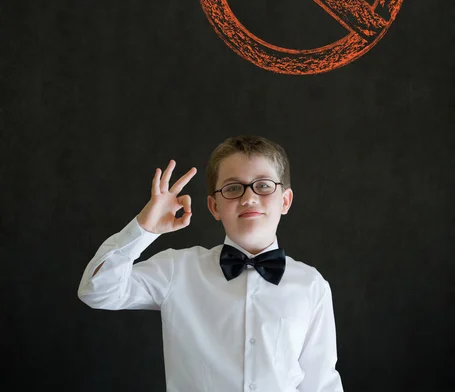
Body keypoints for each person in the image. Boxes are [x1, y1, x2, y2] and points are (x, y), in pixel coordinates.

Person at [78, 135, 344, 392]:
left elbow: (321, 384)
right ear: (214, 206)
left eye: (263, 185)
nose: (249, 198)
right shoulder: (177, 270)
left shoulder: (311, 285)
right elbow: (97, 290)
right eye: (232, 188)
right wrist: (144, 228)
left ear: (285, 200)